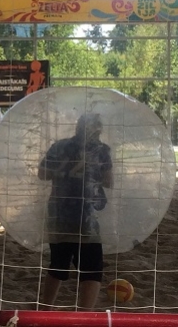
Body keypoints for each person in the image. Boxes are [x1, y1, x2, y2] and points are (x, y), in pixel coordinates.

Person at [37, 113, 113, 310]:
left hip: (59, 212)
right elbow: (109, 181)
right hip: (85, 214)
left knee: (58, 264)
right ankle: (85, 315)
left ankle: (45, 310)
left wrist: (63, 171)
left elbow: (42, 173)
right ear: (97, 129)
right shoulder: (102, 151)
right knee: (92, 267)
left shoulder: (60, 146)